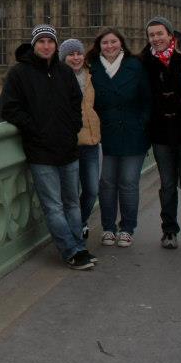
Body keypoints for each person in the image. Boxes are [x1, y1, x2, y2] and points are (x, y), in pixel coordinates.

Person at [1, 24, 95, 270]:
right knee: (53, 206)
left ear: (55, 45)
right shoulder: (19, 73)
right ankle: (70, 251)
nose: (46, 46)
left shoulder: (64, 71)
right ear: (34, 45)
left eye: (50, 41)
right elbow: (9, 109)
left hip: (67, 149)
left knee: (72, 203)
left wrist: (72, 127)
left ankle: (80, 248)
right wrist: (36, 129)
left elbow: (76, 103)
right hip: (40, 151)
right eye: (41, 41)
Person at [139, 17, 181, 251]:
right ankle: (169, 231)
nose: (156, 38)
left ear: (170, 35)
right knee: (167, 185)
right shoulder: (143, 61)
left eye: (159, 34)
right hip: (160, 135)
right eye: (151, 35)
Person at [87, 27, 151, 248]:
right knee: (106, 184)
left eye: (113, 42)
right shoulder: (91, 68)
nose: (110, 46)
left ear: (121, 44)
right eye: (105, 43)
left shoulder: (136, 66)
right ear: (99, 46)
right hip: (104, 135)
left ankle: (127, 228)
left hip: (133, 134)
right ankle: (108, 228)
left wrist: (142, 123)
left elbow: (147, 99)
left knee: (128, 183)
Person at [59, 38, 101, 240]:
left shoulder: (93, 76)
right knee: (71, 194)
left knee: (92, 190)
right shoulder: (56, 78)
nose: (75, 58)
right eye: (71, 54)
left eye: (78, 53)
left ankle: (81, 221)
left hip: (91, 142)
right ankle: (74, 230)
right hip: (68, 144)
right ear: (63, 58)